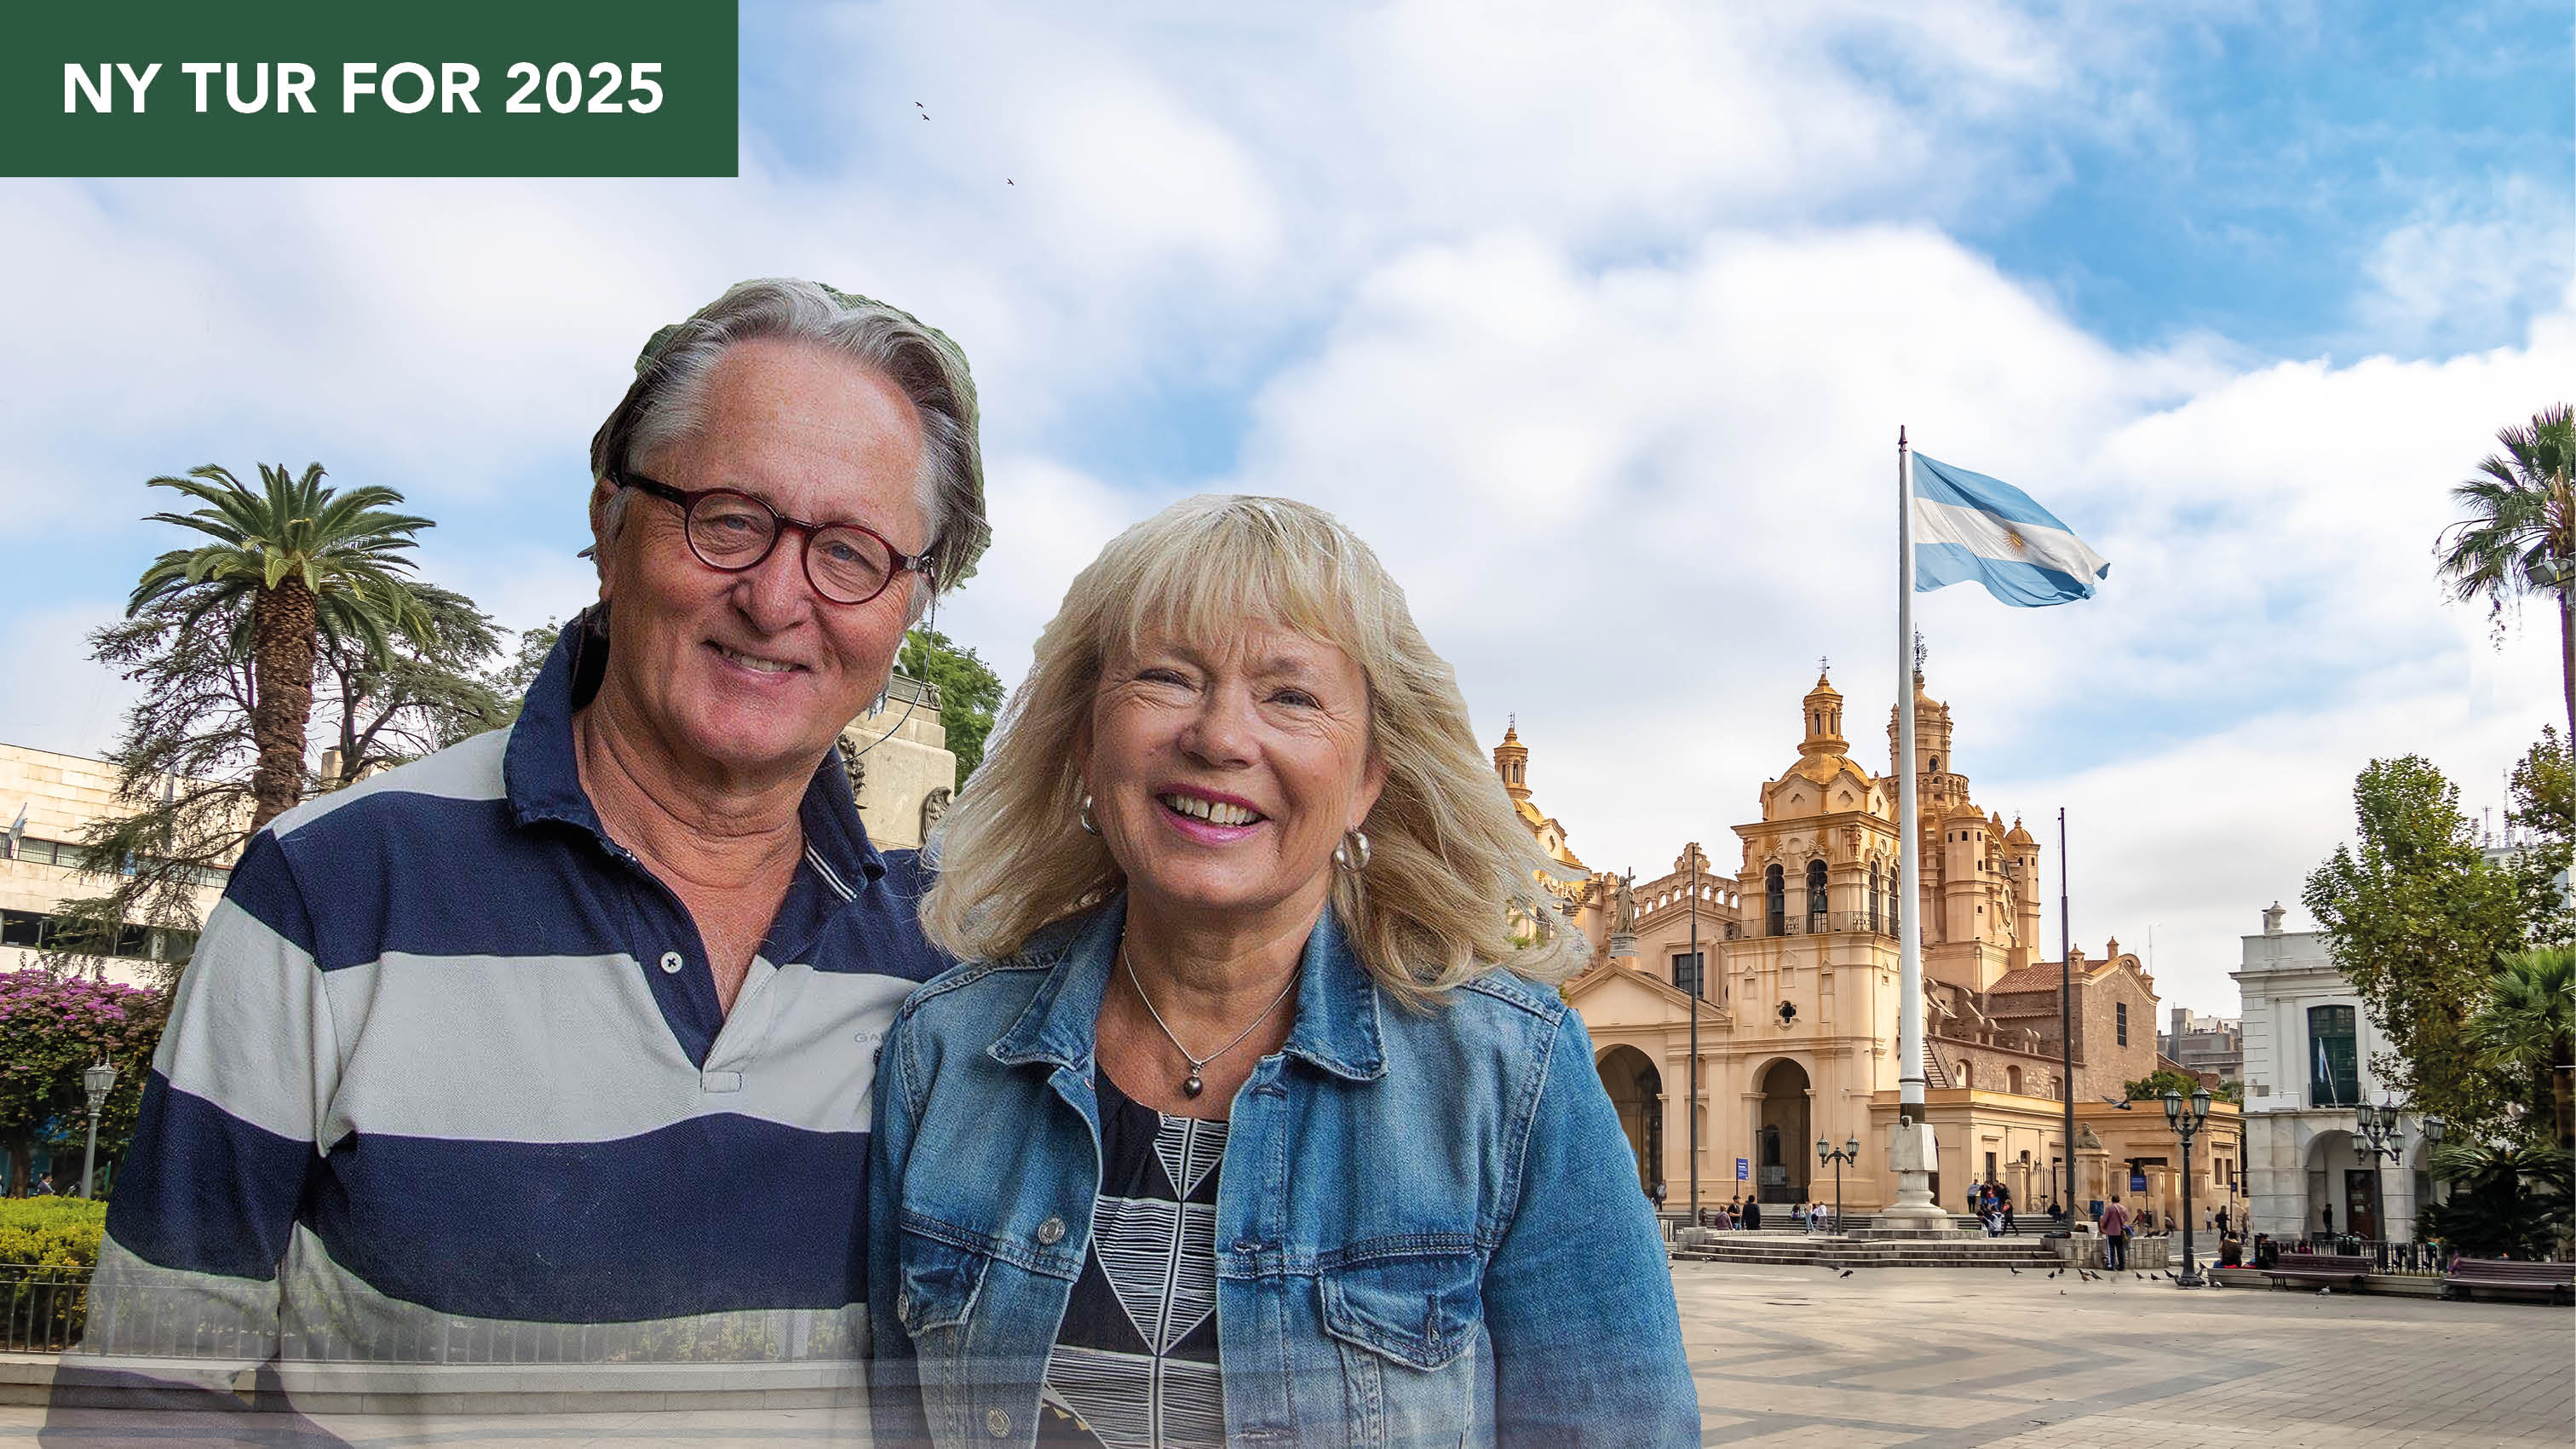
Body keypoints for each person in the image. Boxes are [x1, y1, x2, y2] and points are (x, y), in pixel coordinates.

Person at [78, 279, 992, 1428]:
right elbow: (150, 1400)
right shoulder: (335, 889)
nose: (776, 598)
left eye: (851, 553)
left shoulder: (954, 959)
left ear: (909, 605)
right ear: (613, 524)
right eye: (728, 517)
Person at [867, 496, 1698, 1446]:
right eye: (1168, 679)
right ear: (1086, 739)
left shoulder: (1512, 1079)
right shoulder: (945, 1053)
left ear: (1368, 780)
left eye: (1291, 696)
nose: (1221, 737)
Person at [2099, 1194, 2132, 1272]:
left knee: (2111, 1250)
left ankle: (2112, 1265)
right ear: (2119, 1200)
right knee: (2120, 1249)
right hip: (2120, 1231)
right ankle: (2122, 1266)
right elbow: (2126, 1219)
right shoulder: (2123, 1208)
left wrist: (2104, 1227)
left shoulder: (2110, 1208)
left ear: (2112, 1200)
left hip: (2111, 1232)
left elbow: (2104, 1219)